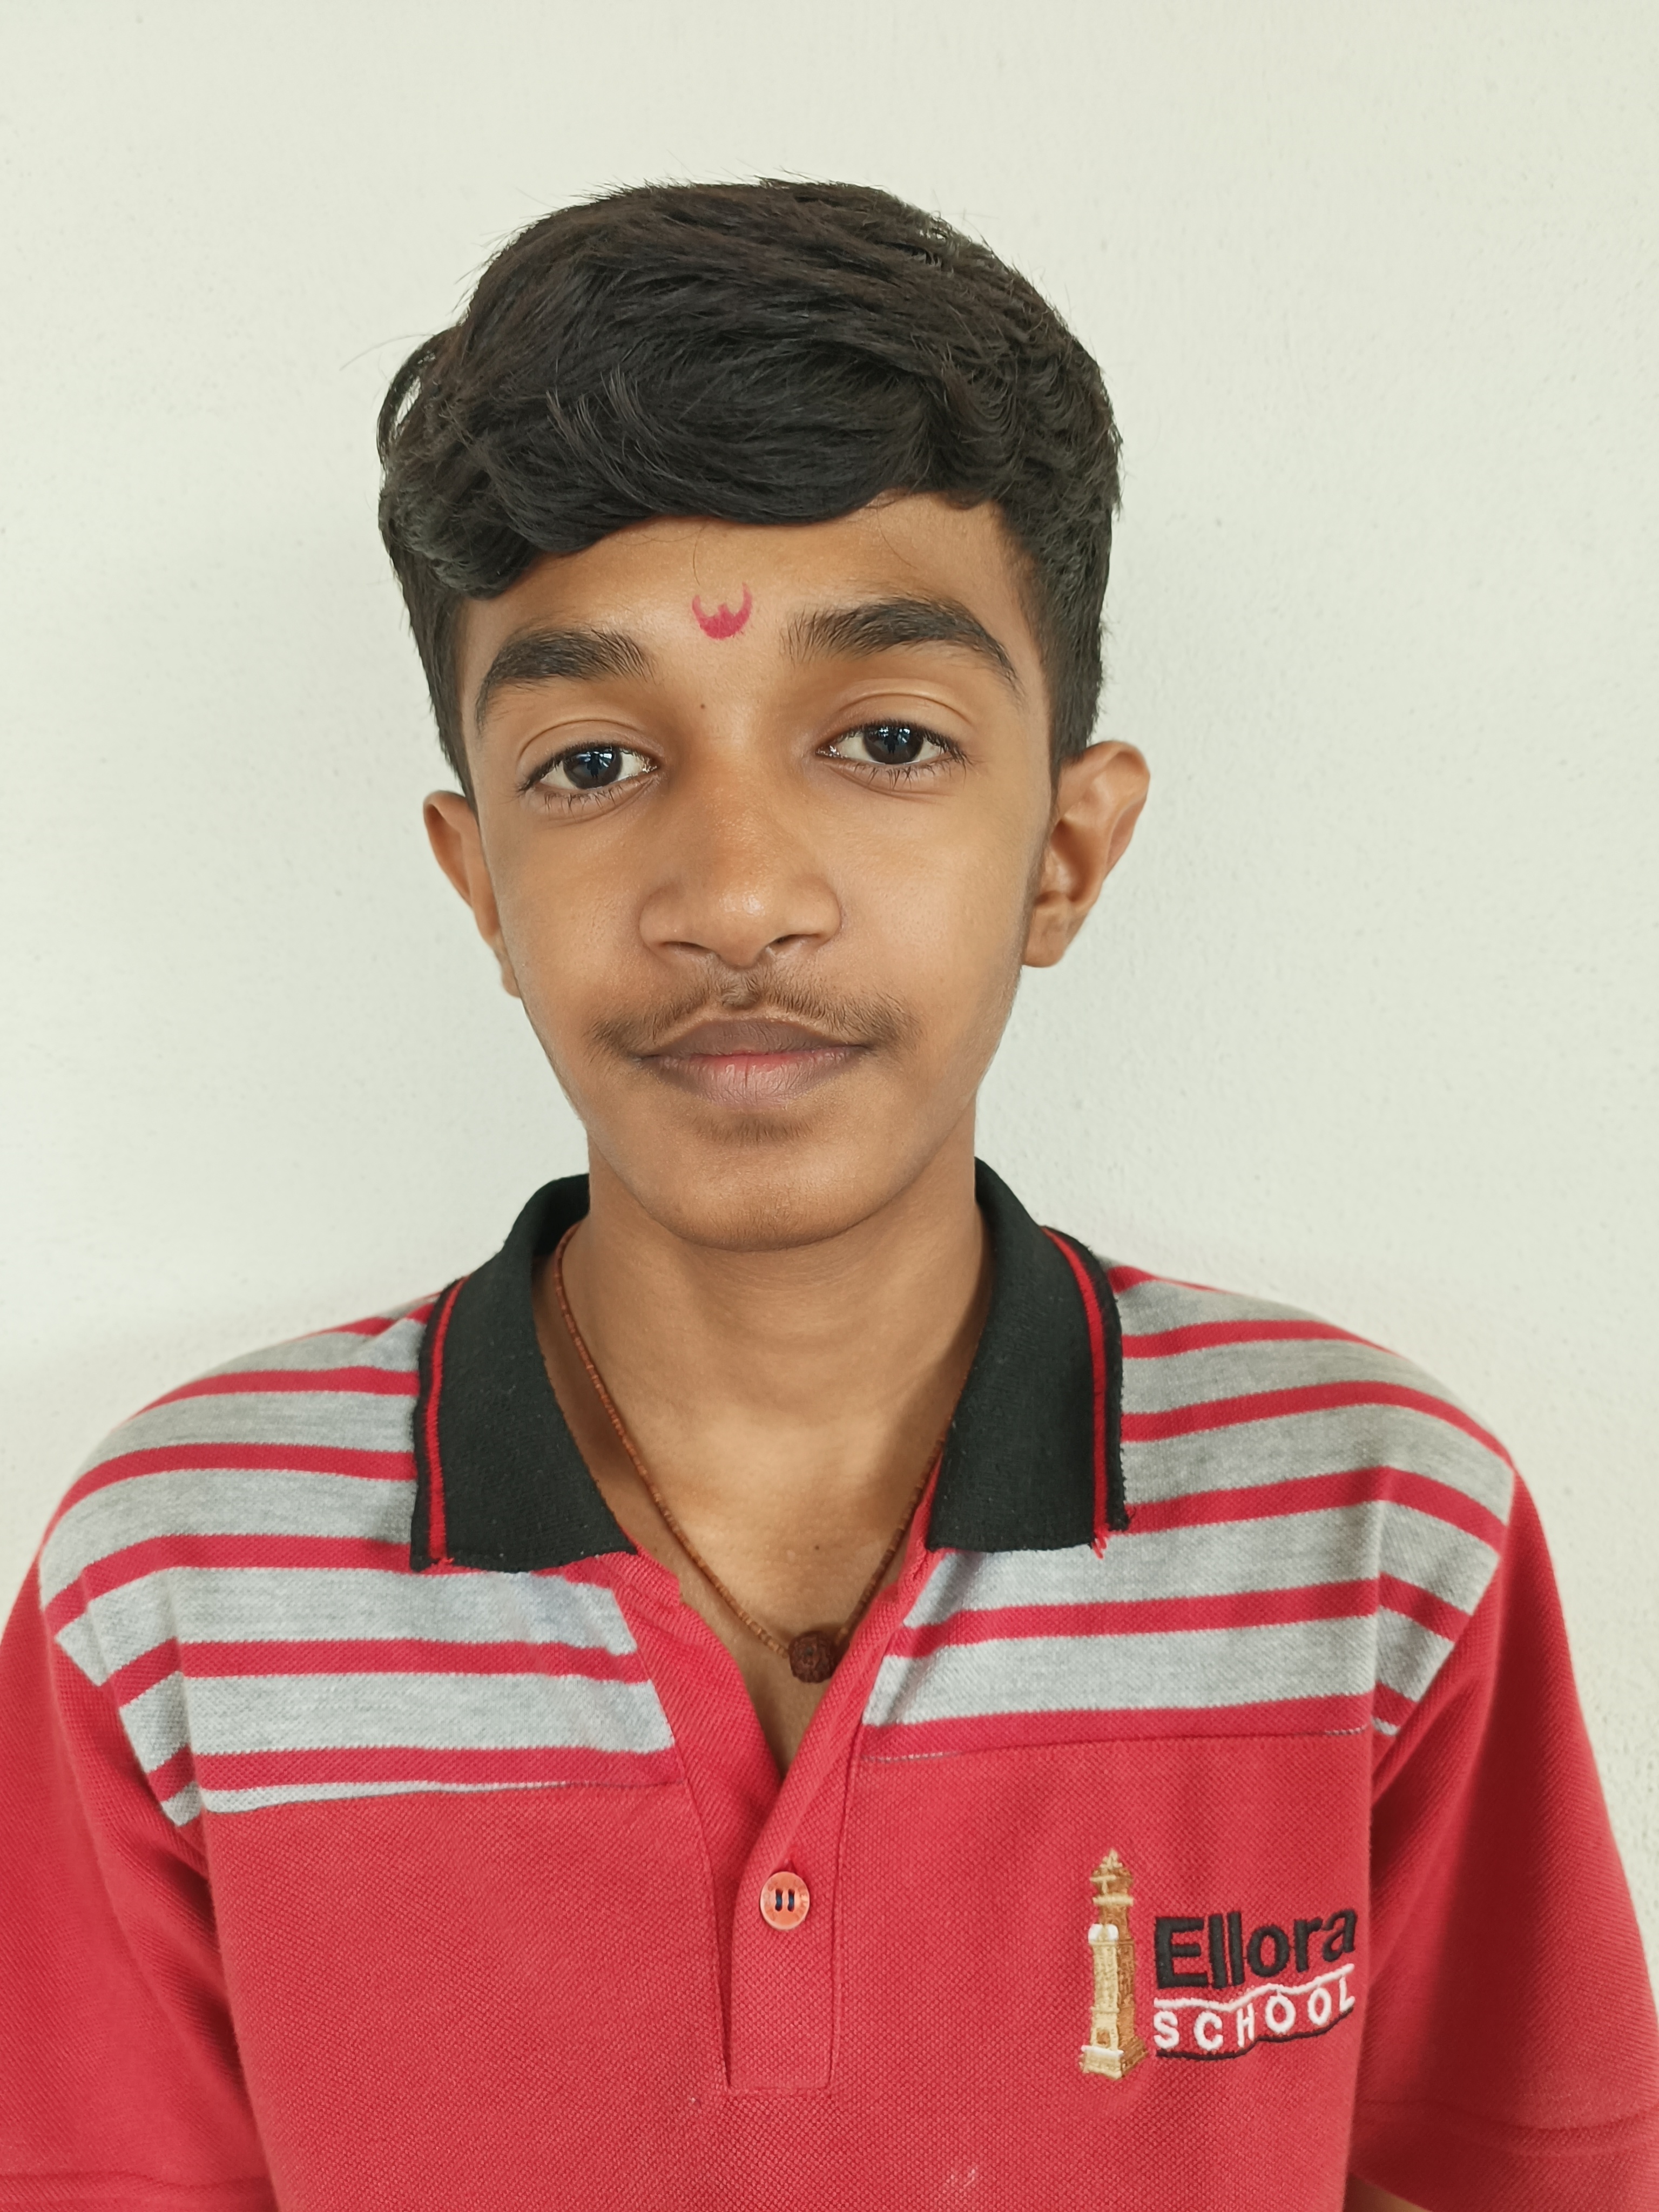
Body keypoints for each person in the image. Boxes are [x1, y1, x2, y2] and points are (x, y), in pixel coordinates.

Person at [1, 181, 1653, 2212]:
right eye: (592, 766)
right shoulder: (179, 1588)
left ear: (1067, 851)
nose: (739, 899)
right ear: (479, 881)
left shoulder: (1371, 1535)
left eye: (885, 737)